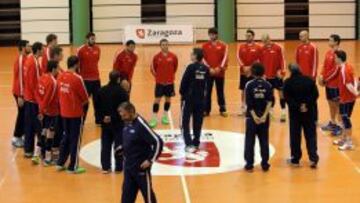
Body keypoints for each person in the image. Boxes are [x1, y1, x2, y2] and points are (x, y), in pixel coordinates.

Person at [118, 102, 163, 203]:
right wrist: (123, 148)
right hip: (128, 168)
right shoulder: (127, 122)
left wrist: (150, 160)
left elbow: (158, 141)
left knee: (148, 197)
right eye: (121, 115)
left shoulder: (141, 125)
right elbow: (132, 140)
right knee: (126, 198)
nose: (122, 118)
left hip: (141, 169)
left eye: (124, 115)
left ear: (131, 112)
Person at [56, 56, 89, 174]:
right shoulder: (77, 78)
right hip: (75, 113)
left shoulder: (61, 76)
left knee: (66, 137)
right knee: (75, 139)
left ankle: (60, 163)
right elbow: (85, 97)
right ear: (76, 64)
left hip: (64, 112)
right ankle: (72, 166)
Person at [283, 64, 319, 168]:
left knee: (295, 136)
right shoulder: (309, 80)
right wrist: (306, 105)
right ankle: (313, 158)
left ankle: (295, 160)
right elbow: (315, 95)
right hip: (309, 113)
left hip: (295, 114)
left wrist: (298, 106)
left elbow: (287, 98)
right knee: (311, 135)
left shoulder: (288, 83)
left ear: (290, 71)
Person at [98, 71, 130, 174]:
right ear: (118, 79)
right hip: (118, 123)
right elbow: (125, 108)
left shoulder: (101, 90)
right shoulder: (122, 92)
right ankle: (119, 167)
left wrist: (102, 117)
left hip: (105, 123)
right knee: (119, 145)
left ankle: (105, 167)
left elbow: (97, 106)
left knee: (105, 145)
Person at [244, 63, 273, 172]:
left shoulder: (249, 85)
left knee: (250, 141)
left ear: (253, 73)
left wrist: (255, 116)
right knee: (264, 140)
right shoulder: (268, 85)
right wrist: (264, 115)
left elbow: (249, 103)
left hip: (252, 118)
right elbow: (270, 101)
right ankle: (265, 164)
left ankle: (249, 165)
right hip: (264, 118)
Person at [180, 48, 209, 152]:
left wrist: (182, 94)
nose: (190, 55)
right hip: (200, 99)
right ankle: (196, 142)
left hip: (189, 99)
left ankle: (188, 144)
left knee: (185, 122)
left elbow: (184, 83)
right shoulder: (206, 68)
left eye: (192, 54)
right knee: (198, 122)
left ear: (196, 56)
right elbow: (207, 85)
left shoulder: (191, 67)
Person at [149, 39, 178, 128]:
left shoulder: (173, 56)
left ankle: (165, 116)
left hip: (169, 82)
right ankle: (154, 118)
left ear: (168, 45)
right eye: (163, 44)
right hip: (160, 83)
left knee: (168, 99)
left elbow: (175, 67)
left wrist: (170, 77)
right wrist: (158, 77)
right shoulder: (156, 57)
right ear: (160, 46)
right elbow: (152, 69)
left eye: (166, 44)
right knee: (157, 100)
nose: (165, 46)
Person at [332, 50, 358, 150]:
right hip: (348, 98)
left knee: (346, 120)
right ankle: (343, 138)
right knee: (343, 119)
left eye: (335, 57)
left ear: (339, 58)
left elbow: (348, 84)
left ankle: (349, 143)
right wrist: (355, 91)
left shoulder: (344, 70)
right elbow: (355, 79)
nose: (334, 59)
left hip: (346, 99)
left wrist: (355, 92)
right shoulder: (348, 66)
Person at [37, 60, 60, 166]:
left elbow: (37, 93)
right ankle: (47, 158)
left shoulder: (42, 77)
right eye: (58, 67)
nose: (58, 70)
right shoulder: (53, 82)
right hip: (51, 112)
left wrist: (40, 109)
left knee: (43, 132)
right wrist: (43, 109)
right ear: (54, 69)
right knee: (50, 135)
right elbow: (49, 98)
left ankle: (38, 154)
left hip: (44, 110)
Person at [23, 42, 43, 159]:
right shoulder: (34, 63)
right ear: (38, 50)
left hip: (28, 97)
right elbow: (34, 83)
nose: (44, 52)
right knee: (37, 125)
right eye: (42, 50)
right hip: (33, 99)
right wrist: (39, 100)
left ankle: (28, 150)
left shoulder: (29, 60)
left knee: (29, 125)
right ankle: (41, 150)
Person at [259, 34, 286, 122]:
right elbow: (260, 62)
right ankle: (270, 112)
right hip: (267, 76)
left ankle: (283, 112)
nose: (264, 43)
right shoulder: (262, 49)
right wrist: (262, 74)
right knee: (270, 95)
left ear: (269, 39)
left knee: (281, 94)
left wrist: (282, 72)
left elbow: (283, 60)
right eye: (262, 42)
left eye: (265, 41)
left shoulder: (278, 48)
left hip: (277, 75)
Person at [319, 34, 342, 136]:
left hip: (335, 84)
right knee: (330, 104)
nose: (329, 42)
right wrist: (321, 76)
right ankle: (333, 123)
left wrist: (325, 79)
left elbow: (336, 70)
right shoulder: (328, 52)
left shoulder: (339, 53)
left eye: (330, 40)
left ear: (336, 42)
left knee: (337, 106)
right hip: (328, 83)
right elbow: (324, 66)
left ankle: (340, 126)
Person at [202, 27, 228, 117]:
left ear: (217, 35)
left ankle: (223, 109)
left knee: (220, 91)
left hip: (220, 73)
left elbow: (225, 58)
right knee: (207, 92)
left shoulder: (223, 45)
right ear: (209, 35)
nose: (212, 36)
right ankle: (206, 110)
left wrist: (219, 68)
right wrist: (209, 68)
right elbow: (203, 59)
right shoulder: (204, 46)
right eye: (211, 34)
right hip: (209, 73)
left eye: (214, 34)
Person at [77, 32, 102, 124]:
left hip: (96, 79)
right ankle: (82, 120)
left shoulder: (98, 49)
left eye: (94, 39)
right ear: (87, 39)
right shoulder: (81, 50)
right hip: (85, 80)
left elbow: (97, 60)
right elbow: (77, 64)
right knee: (84, 101)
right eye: (92, 39)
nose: (94, 40)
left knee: (98, 100)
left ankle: (98, 119)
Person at [237, 29, 261, 116]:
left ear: (253, 36)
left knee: (253, 89)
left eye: (249, 36)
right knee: (243, 90)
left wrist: (251, 68)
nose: (247, 37)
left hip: (253, 73)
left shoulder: (258, 47)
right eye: (246, 36)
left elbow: (259, 59)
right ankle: (243, 108)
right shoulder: (241, 46)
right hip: (243, 72)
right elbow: (238, 57)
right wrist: (244, 67)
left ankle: (252, 108)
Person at [11, 40, 31, 148]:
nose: (30, 47)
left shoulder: (26, 59)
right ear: (23, 48)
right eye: (28, 46)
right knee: (22, 114)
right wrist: (20, 96)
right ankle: (16, 137)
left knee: (25, 114)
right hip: (19, 93)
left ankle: (22, 135)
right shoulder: (20, 60)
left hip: (24, 92)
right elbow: (19, 79)